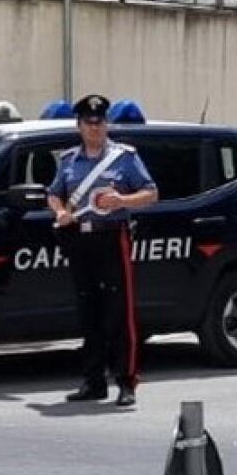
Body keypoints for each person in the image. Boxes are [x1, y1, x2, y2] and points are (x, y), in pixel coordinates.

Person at [47, 94, 158, 407]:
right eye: (89, 122)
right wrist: (59, 212)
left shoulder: (124, 157)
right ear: (79, 126)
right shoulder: (69, 160)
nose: (95, 127)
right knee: (89, 312)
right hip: (81, 241)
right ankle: (93, 382)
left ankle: (126, 381)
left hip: (112, 238)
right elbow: (54, 194)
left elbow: (151, 193)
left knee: (118, 313)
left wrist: (122, 201)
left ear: (106, 124)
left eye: (100, 121)